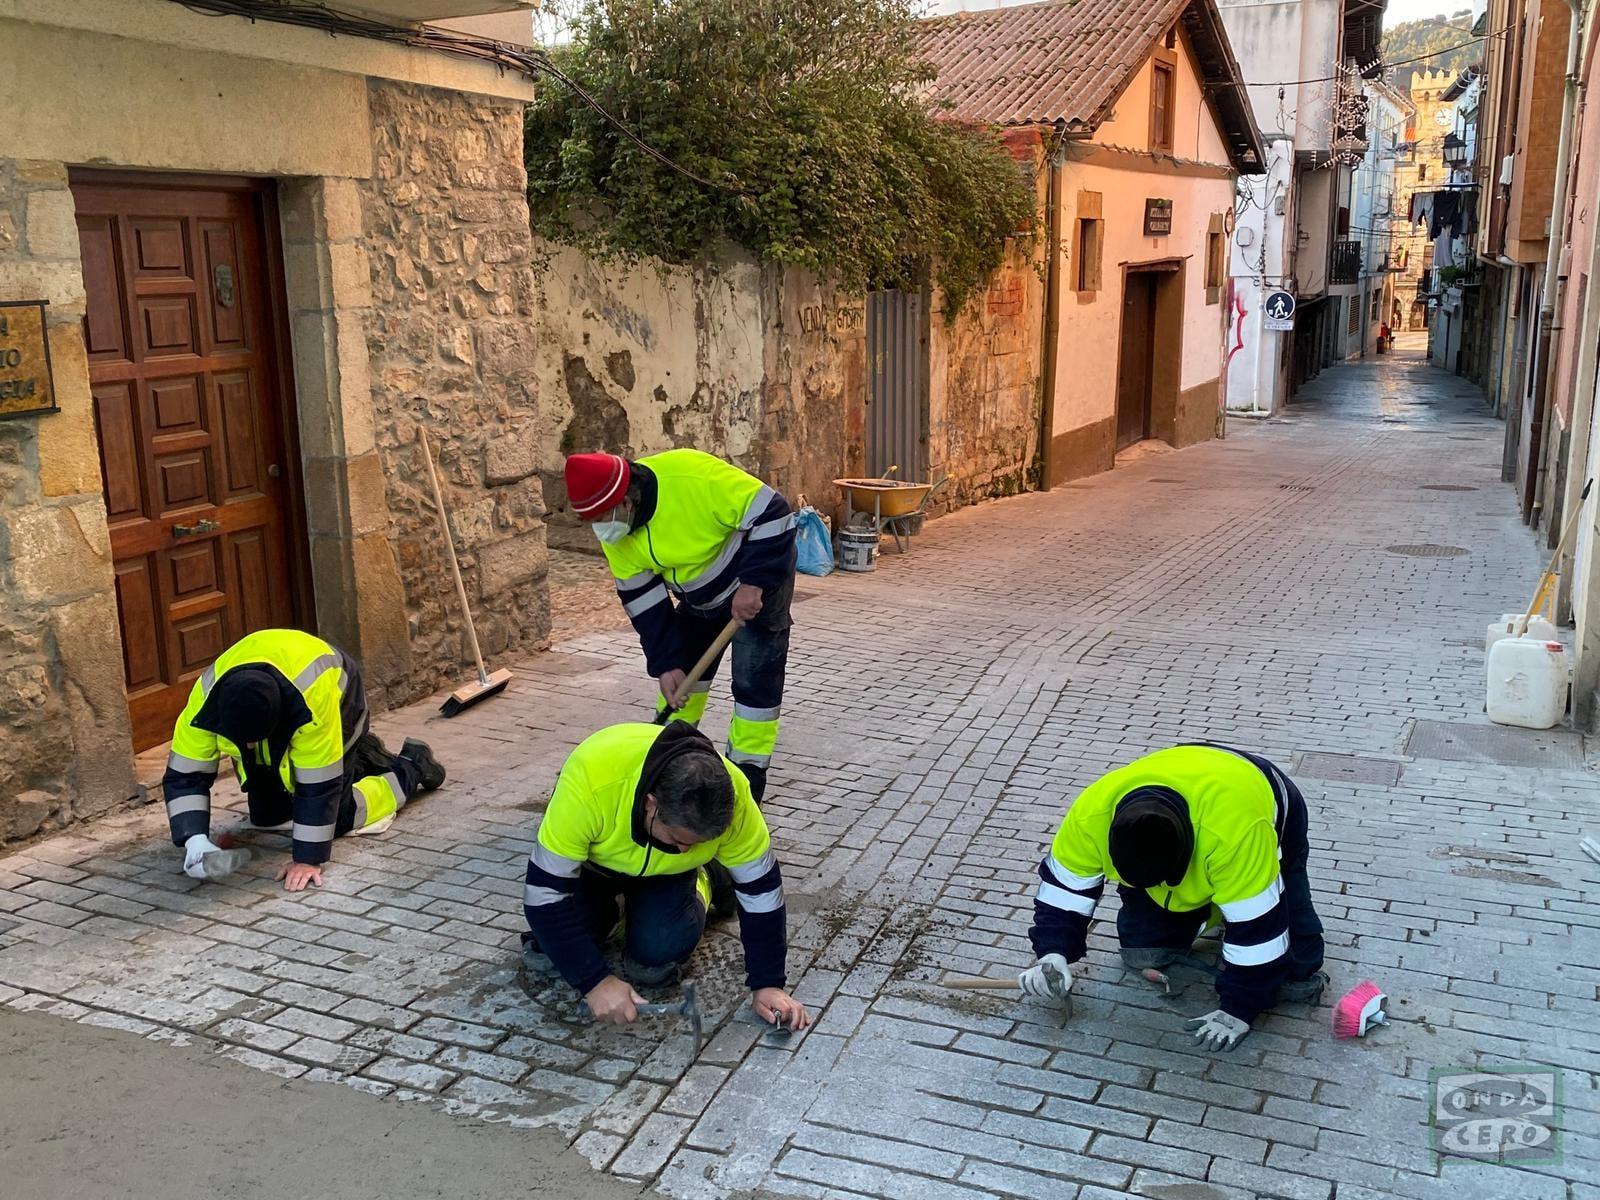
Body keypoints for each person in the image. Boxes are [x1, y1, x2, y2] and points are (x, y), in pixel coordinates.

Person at [1020, 743, 1326, 1051]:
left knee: (1292, 966)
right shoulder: (1090, 818)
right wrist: (1052, 953)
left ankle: (1233, 910)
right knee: (1145, 950)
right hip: (1187, 778)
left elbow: (1260, 931)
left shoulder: (1238, 834)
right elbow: (1063, 894)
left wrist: (1239, 1008)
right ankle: (1214, 908)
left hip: (1258, 792)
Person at [521, 721, 809, 1031]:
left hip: (668, 875)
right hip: (594, 869)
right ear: (651, 804)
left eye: (698, 845)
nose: (686, 849)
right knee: (552, 949)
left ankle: (707, 878)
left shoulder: (737, 799)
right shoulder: (591, 778)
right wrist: (596, 982)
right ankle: (610, 907)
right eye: (677, 840)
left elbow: (763, 893)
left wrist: (768, 983)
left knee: (655, 961)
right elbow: (544, 897)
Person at [562, 449, 795, 804]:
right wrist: (664, 661)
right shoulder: (617, 533)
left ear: (625, 500)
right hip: (698, 596)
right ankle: (667, 766)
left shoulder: (691, 478)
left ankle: (746, 782)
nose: (600, 528)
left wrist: (754, 583)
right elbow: (644, 603)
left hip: (755, 582)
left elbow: (774, 513)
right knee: (682, 679)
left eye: (602, 517)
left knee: (753, 684)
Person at [161, 629, 444, 891]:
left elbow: (319, 787)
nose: (248, 747)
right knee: (269, 816)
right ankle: (359, 756)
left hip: (339, 693)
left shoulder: (312, 704)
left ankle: (411, 766)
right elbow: (185, 776)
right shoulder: (203, 707)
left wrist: (307, 858)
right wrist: (195, 840)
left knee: (338, 819)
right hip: (275, 682)